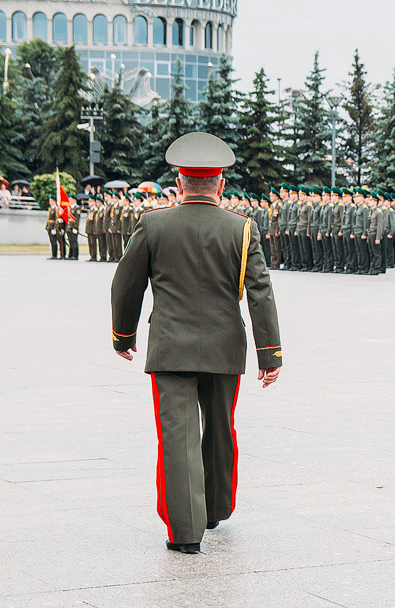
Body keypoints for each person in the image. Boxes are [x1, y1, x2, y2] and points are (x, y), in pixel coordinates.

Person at [110, 132, 281, 554]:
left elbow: (126, 284)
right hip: (225, 347)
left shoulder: (153, 224)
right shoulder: (242, 229)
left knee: (178, 435)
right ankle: (216, 508)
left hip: (170, 348)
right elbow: (260, 291)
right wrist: (269, 353)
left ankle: (186, 532)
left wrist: (123, 334)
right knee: (220, 427)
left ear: (179, 183)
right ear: (221, 184)